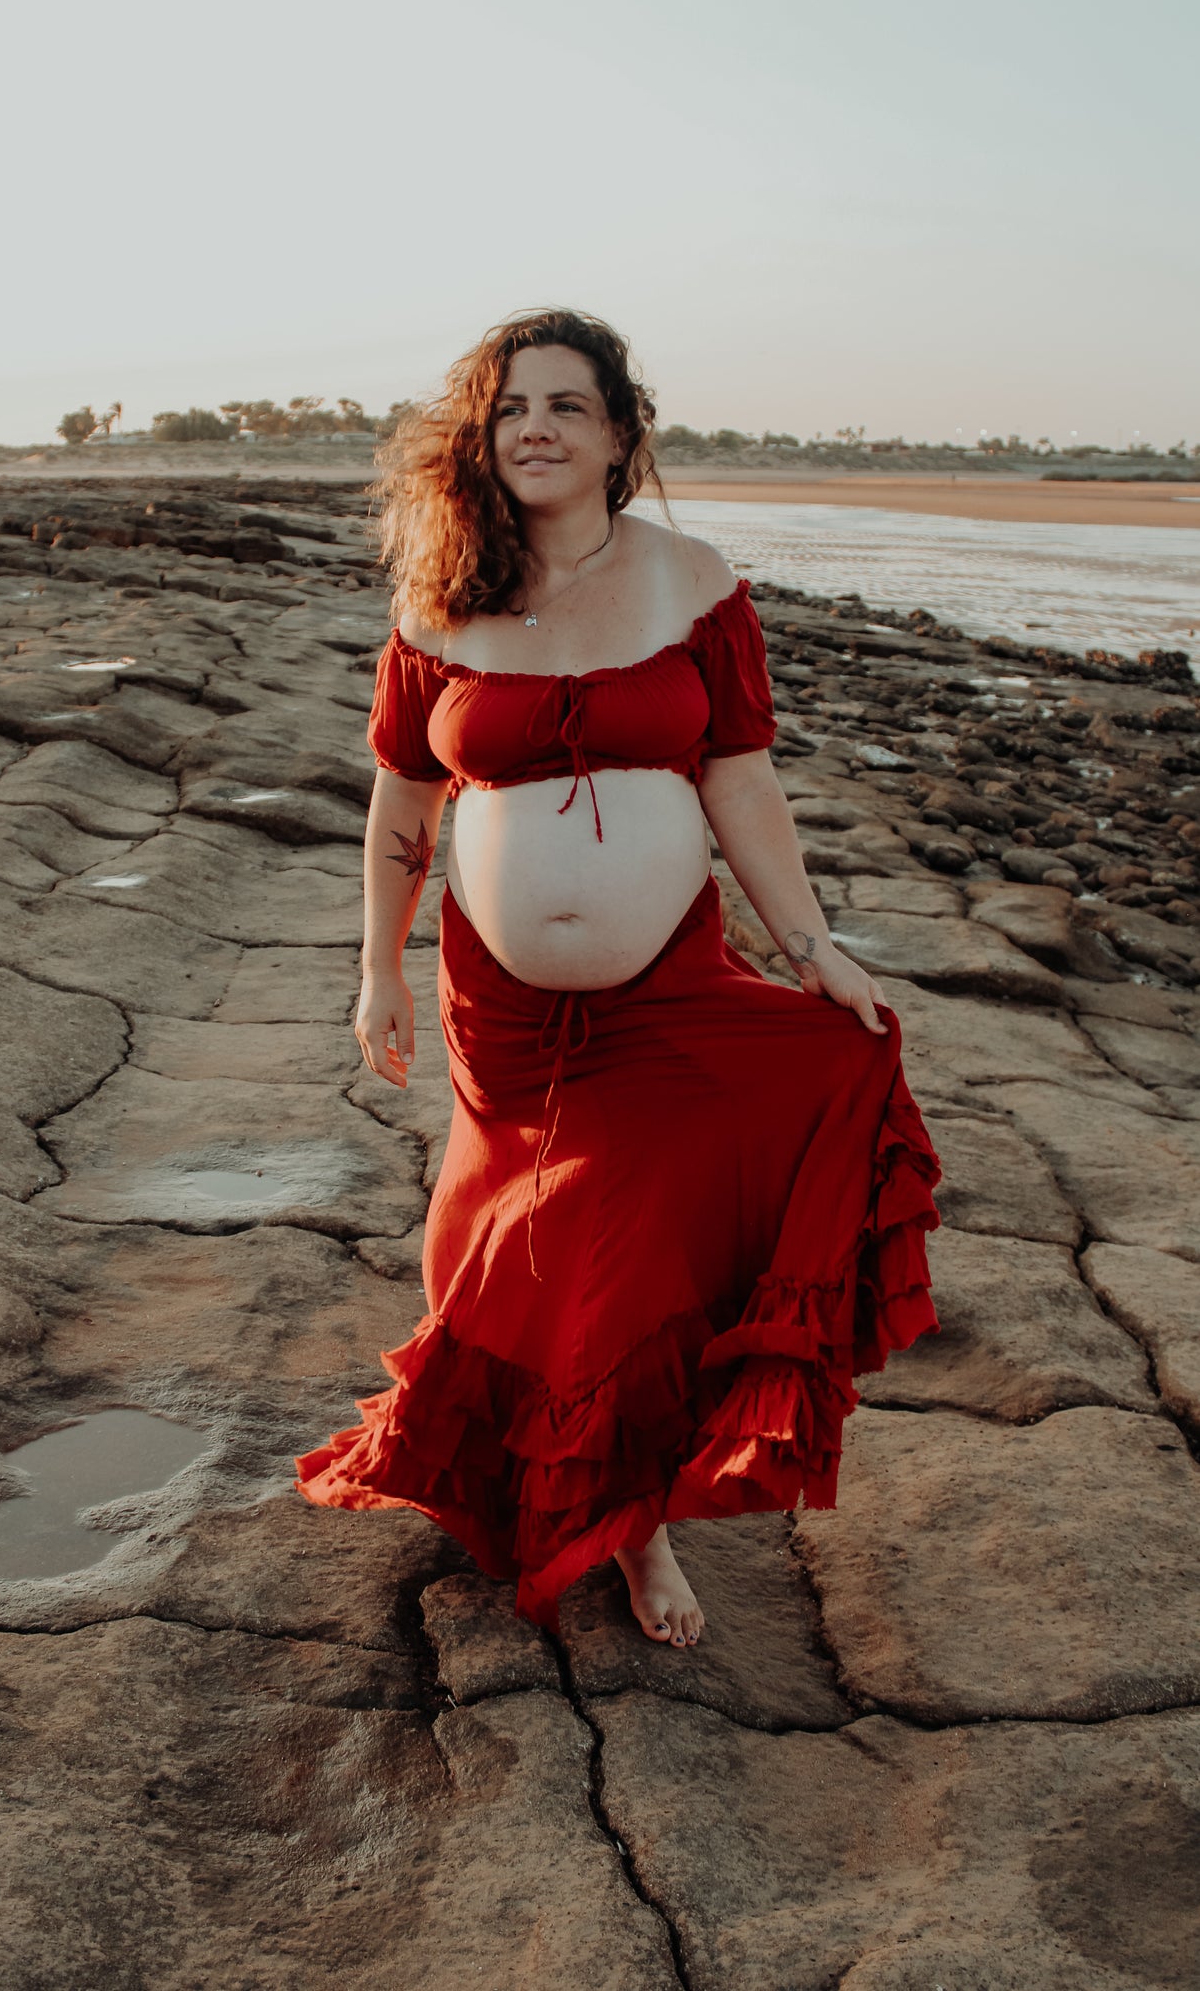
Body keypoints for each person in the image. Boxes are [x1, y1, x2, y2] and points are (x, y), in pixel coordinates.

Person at [295, 308, 940, 1648]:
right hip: (504, 1005)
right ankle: (533, 1483)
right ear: (480, 438)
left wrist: (813, 949)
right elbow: (402, 809)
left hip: (667, 984)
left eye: (564, 407)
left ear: (618, 436)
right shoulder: (438, 597)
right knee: (499, 1237)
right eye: (510, 407)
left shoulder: (694, 585)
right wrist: (376, 971)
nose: (533, 427)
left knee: (638, 1244)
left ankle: (634, 1529)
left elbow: (742, 782)